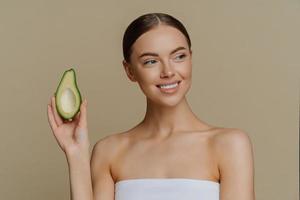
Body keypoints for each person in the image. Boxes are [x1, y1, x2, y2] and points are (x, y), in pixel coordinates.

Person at [47, 12, 255, 200]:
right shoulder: (110, 151)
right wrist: (76, 155)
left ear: (191, 58)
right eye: (150, 61)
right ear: (129, 71)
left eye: (179, 56)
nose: (168, 71)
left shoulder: (229, 145)